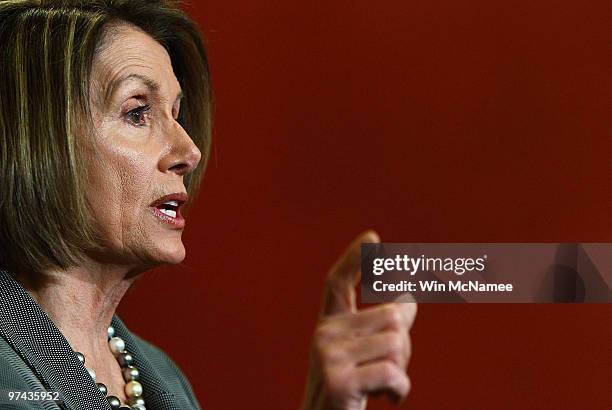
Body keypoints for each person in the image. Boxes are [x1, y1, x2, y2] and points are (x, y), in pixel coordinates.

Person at [0, 1, 416, 409]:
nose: (189, 150)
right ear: (34, 142)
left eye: (177, 114)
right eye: (137, 112)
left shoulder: (161, 377)